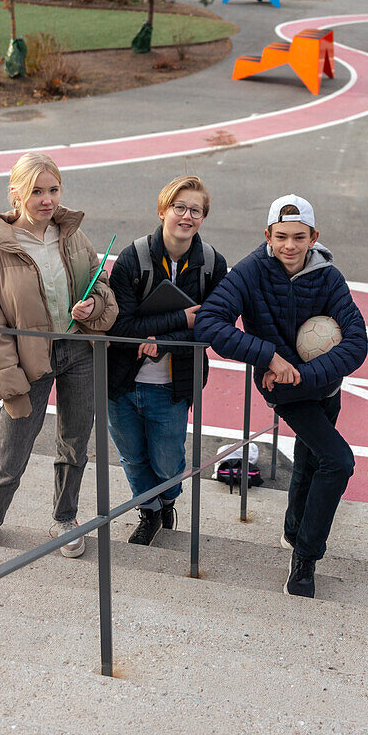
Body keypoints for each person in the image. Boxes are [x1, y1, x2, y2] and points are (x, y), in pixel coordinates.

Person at [196, 195, 368, 599]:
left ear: (314, 237)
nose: (289, 246)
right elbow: (210, 322)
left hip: (322, 385)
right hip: (285, 391)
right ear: (268, 235)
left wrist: (303, 373)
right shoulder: (251, 271)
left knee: (310, 460)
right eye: (281, 237)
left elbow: (357, 343)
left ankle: (293, 532)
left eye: (299, 237)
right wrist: (268, 357)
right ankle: (305, 560)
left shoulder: (328, 276)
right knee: (338, 461)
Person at [0, 152, 118, 557]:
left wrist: (93, 305)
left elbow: (100, 285)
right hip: (27, 359)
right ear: (15, 193)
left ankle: (64, 519)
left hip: (77, 351)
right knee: (12, 448)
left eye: (53, 189)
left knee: (74, 443)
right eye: (37, 191)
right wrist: (8, 382)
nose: (47, 199)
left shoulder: (72, 236)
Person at [107, 176, 227, 545]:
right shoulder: (133, 258)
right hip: (122, 380)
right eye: (179, 207)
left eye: (195, 210)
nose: (186, 216)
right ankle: (150, 512)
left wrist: (164, 341)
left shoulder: (211, 265)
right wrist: (181, 319)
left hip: (173, 385)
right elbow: (120, 325)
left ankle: (167, 500)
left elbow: (214, 327)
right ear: (163, 211)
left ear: (203, 217)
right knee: (132, 457)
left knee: (166, 461)